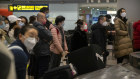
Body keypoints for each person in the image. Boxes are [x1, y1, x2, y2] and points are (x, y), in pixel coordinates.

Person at [33, 12, 52, 79]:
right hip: (43, 51)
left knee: (38, 70)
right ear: (41, 18)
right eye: (45, 18)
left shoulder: (35, 26)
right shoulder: (40, 27)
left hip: (38, 51)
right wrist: (47, 30)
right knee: (43, 71)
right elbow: (50, 36)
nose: (46, 20)